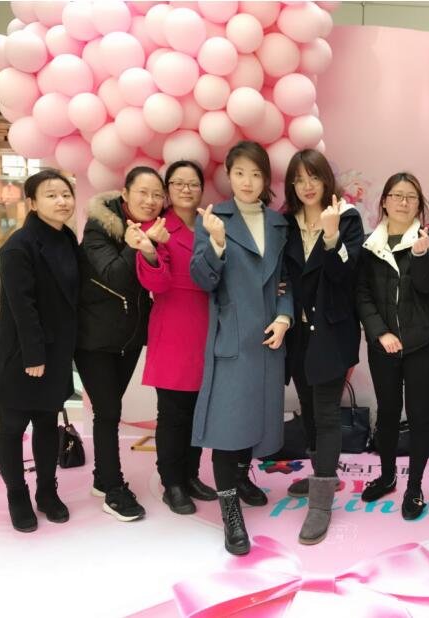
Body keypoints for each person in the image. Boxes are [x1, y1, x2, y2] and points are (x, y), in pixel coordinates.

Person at [190, 141, 293, 555]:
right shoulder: (214, 219)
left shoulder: (278, 223)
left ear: (265, 178)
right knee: (227, 426)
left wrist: (285, 317)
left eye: (255, 174)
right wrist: (216, 243)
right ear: (228, 176)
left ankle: (242, 477)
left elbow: (286, 281)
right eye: (239, 173)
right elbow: (202, 279)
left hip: (268, 336)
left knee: (258, 417)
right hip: (232, 335)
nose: (247, 182)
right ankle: (230, 511)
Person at [0, 169, 79, 532]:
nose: (61, 201)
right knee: (11, 426)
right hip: (21, 354)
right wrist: (34, 355)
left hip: (56, 352)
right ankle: (17, 494)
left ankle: (47, 492)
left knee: (47, 424)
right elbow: (22, 306)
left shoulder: (67, 238)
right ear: (33, 203)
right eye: (51, 195)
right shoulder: (18, 246)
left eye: (65, 194)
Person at [281, 149, 364, 544]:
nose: (307, 185)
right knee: (309, 408)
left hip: (331, 332)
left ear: (326, 179)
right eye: (299, 179)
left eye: (313, 176)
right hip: (297, 333)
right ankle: (320, 476)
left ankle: (321, 502)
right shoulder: (286, 222)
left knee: (327, 413)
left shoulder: (347, 218)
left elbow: (346, 275)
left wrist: (331, 237)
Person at [75, 166, 164, 522]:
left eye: (157, 194)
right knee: (108, 412)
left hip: (129, 337)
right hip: (93, 338)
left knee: (109, 410)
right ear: (125, 194)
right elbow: (114, 275)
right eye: (143, 192)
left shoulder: (157, 228)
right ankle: (113, 489)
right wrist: (135, 245)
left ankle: (102, 477)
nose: (150, 200)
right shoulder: (99, 227)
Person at [356, 172, 429, 521]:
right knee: (387, 413)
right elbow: (362, 293)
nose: (403, 202)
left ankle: (415, 487)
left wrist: (420, 256)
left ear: (419, 204)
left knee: (419, 417)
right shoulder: (369, 243)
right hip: (384, 346)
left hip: (421, 345)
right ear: (384, 201)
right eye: (397, 195)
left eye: (411, 197)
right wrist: (380, 333)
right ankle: (388, 475)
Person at [131, 160, 217, 515]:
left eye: (192, 183)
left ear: (202, 189)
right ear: (168, 190)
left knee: (199, 410)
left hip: (208, 327)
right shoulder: (156, 227)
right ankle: (173, 483)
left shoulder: (211, 226)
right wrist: (150, 250)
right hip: (173, 328)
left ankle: (191, 475)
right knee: (172, 413)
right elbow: (157, 282)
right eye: (178, 183)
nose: (186, 189)